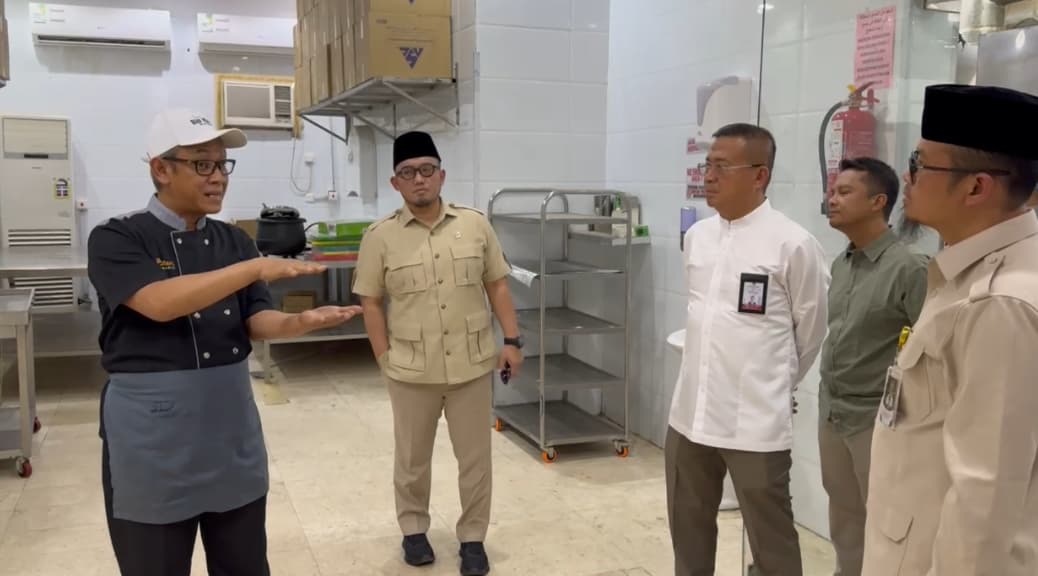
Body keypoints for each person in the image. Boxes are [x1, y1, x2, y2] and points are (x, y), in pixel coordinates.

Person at [87, 109, 362, 576]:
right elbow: (159, 303)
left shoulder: (233, 240)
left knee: (244, 563)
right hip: (153, 438)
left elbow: (256, 319)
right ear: (161, 168)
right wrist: (254, 267)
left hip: (230, 427)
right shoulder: (118, 236)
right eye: (202, 164)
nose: (218, 177)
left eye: (221, 165)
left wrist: (298, 323)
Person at [861, 84, 1038, 576]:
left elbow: (985, 496)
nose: (907, 177)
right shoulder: (969, 272)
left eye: (919, 164)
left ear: (976, 188)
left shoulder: (1001, 302)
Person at [352, 131, 522, 576]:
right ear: (395, 183)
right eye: (408, 173)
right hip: (411, 371)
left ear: (441, 176)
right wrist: (384, 358)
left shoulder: (475, 225)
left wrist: (512, 340)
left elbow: (497, 285)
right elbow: (371, 302)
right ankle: (413, 529)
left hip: (471, 366)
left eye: (427, 170)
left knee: (476, 461)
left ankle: (473, 539)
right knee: (412, 459)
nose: (419, 179)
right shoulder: (380, 237)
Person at [668, 123, 830, 576]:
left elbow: (810, 333)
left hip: (754, 422)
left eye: (722, 167)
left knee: (771, 539)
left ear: (760, 176)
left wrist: (771, 383)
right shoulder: (698, 237)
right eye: (707, 165)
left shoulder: (793, 244)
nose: (708, 176)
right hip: (690, 415)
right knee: (688, 530)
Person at [820, 158, 928, 576]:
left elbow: (932, 352)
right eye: (833, 191)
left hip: (879, 419)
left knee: (886, 522)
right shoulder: (841, 263)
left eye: (844, 192)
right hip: (833, 412)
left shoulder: (910, 268)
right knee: (844, 516)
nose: (832, 199)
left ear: (878, 202)